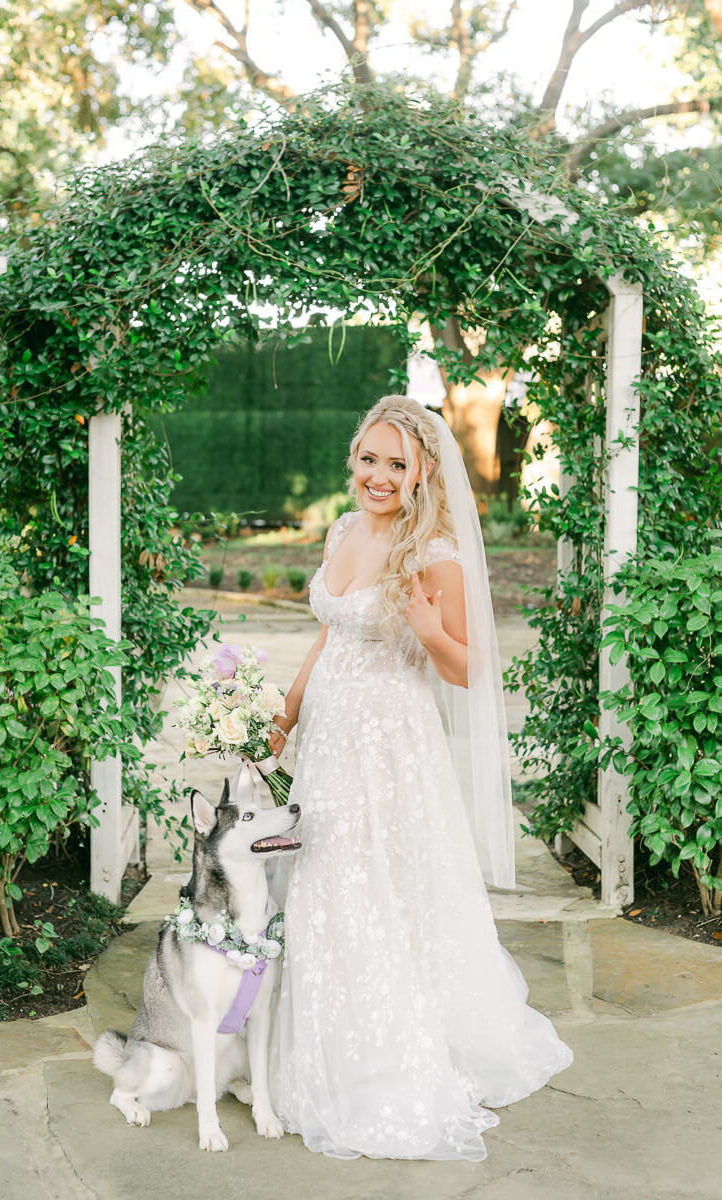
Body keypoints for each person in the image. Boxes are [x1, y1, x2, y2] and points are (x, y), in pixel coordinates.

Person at [266, 395, 573, 1161]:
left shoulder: (434, 551)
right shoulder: (342, 529)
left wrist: (432, 630)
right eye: (368, 458)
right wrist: (287, 715)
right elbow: (329, 637)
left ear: (422, 471)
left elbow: (471, 669)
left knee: (381, 886)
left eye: (395, 464)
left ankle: (386, 1059)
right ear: (354, 458)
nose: (378, 475)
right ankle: (323, 1038)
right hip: (331, 741)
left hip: (391, 747)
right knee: (325, 883)